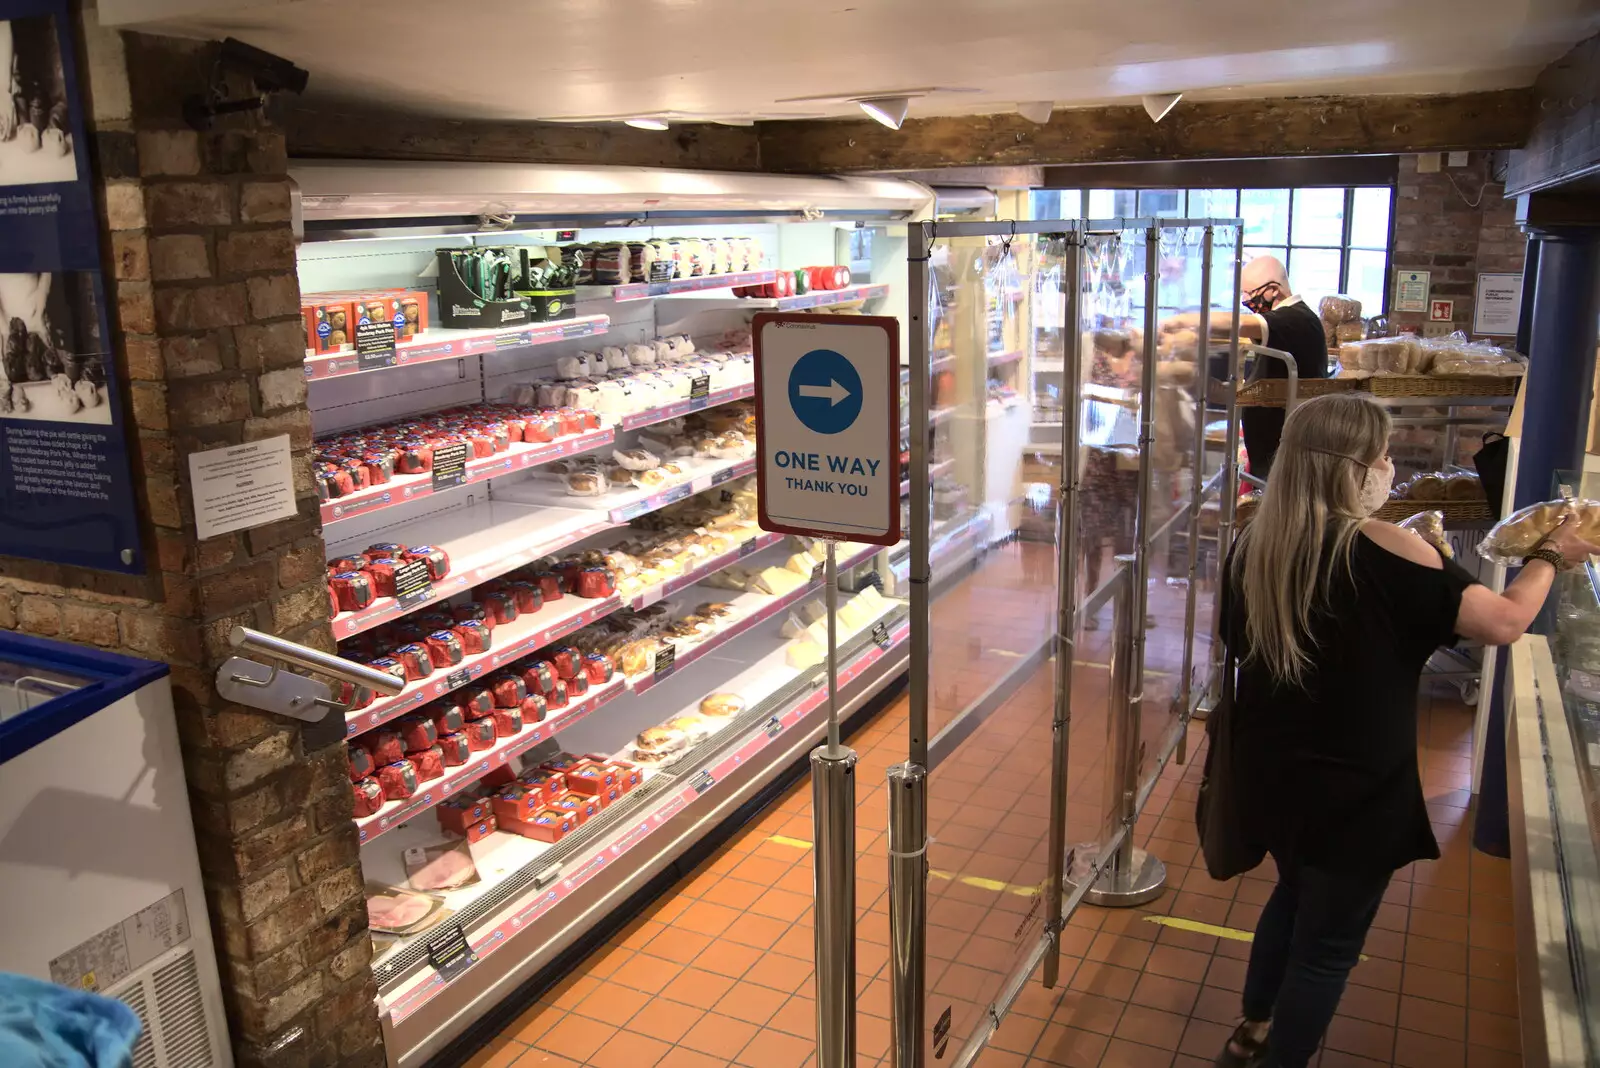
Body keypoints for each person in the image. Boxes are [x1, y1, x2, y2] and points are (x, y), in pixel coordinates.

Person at [1212, 393, 1599, 1068]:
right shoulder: (1390, 548)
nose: (1390, 467)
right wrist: (1553, 556)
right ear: (1353, 470)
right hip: (1355, 788)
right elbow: (1505, 623)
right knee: (1329, 948)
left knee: (1293, 891)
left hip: (1269, 772)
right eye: (1383, 456)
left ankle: (1252, 1028)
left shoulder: (1254, 542)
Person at [1163, 255, 1328, 480]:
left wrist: (1181, 320)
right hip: (1272, 451)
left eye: (1249, 294)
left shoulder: (1295, 319)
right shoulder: (1285, 322)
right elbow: (1257, 389)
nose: (1246, 300)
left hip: (1289, 453)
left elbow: (1237, 324)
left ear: (1272, 290)